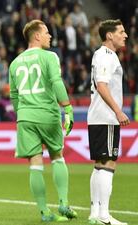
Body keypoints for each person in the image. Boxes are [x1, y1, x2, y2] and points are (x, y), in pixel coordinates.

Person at [8, 19, 77, 222]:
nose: (50, 36)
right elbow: (56, 82)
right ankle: (64, 203)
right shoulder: (50, 56)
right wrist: (68, 108)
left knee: (35, 164)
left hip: (25, 116)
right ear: (37, 35)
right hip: (47, 113)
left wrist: (22, 115)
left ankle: (45, 212)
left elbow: (14, 96)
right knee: (57, 156)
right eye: (46, 32)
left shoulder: (14, 63)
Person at [87, 19, 130, 225]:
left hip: (97, 117)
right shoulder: (107, 56)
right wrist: (118, 111)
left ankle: (95, 213)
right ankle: (104, 216)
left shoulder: (101, 55)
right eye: (121, 32)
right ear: (109, 35)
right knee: (108, 163)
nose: (125, 35)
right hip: (105, 117)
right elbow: (102, 85)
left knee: (99, 165)